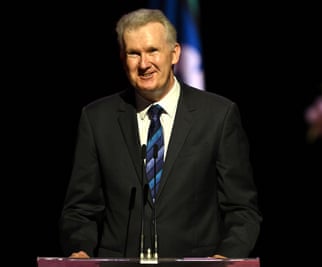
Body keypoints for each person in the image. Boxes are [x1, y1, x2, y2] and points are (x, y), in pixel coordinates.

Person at [58, 8, 262, 260]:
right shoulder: (97, 118)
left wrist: (225, 258)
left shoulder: (218, 116)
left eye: (152, 50)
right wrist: (80, 250)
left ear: (174, 53)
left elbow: (242, 209)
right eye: (134, 53)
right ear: (123, 58)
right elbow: (80, 209)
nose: (144, 64)